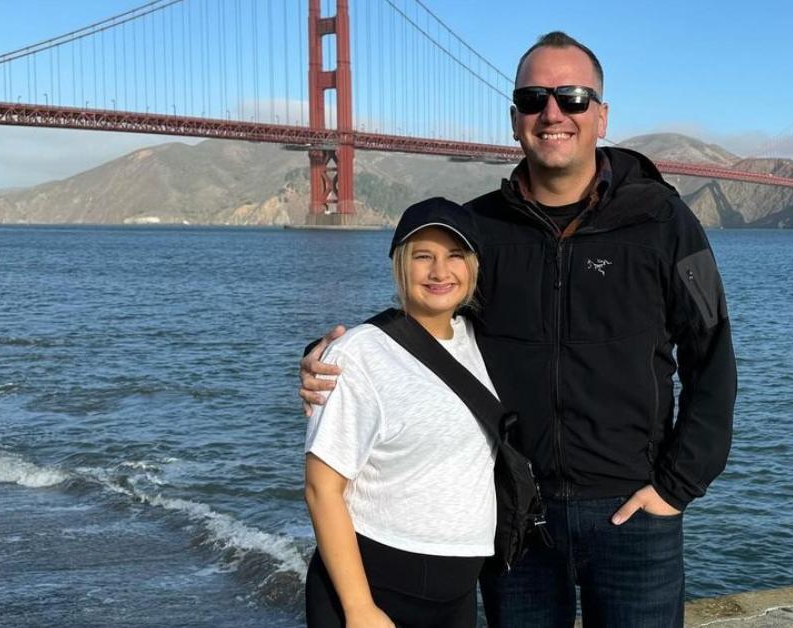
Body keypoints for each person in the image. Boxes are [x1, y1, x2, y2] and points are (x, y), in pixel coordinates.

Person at [301, 32, 737, 628]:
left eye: (574, 97)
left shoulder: (664, 221)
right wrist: (330, 357)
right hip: (513, 512)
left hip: (633, 510)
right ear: (514, 119)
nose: (553, 112)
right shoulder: (480, 227)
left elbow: (712, 353)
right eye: (534, 98)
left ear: (601, 115)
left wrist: (676, 487)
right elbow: (426, 323)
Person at [303, 197, 496, 628]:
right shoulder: (357, 355)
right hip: (375, 587)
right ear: (400, 264)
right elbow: (321, 489)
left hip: (458, 594)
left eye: (455, 256)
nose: (440, 272)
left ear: (474, 267)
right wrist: (359, 609)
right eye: (423, 256)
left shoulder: (481, 343)